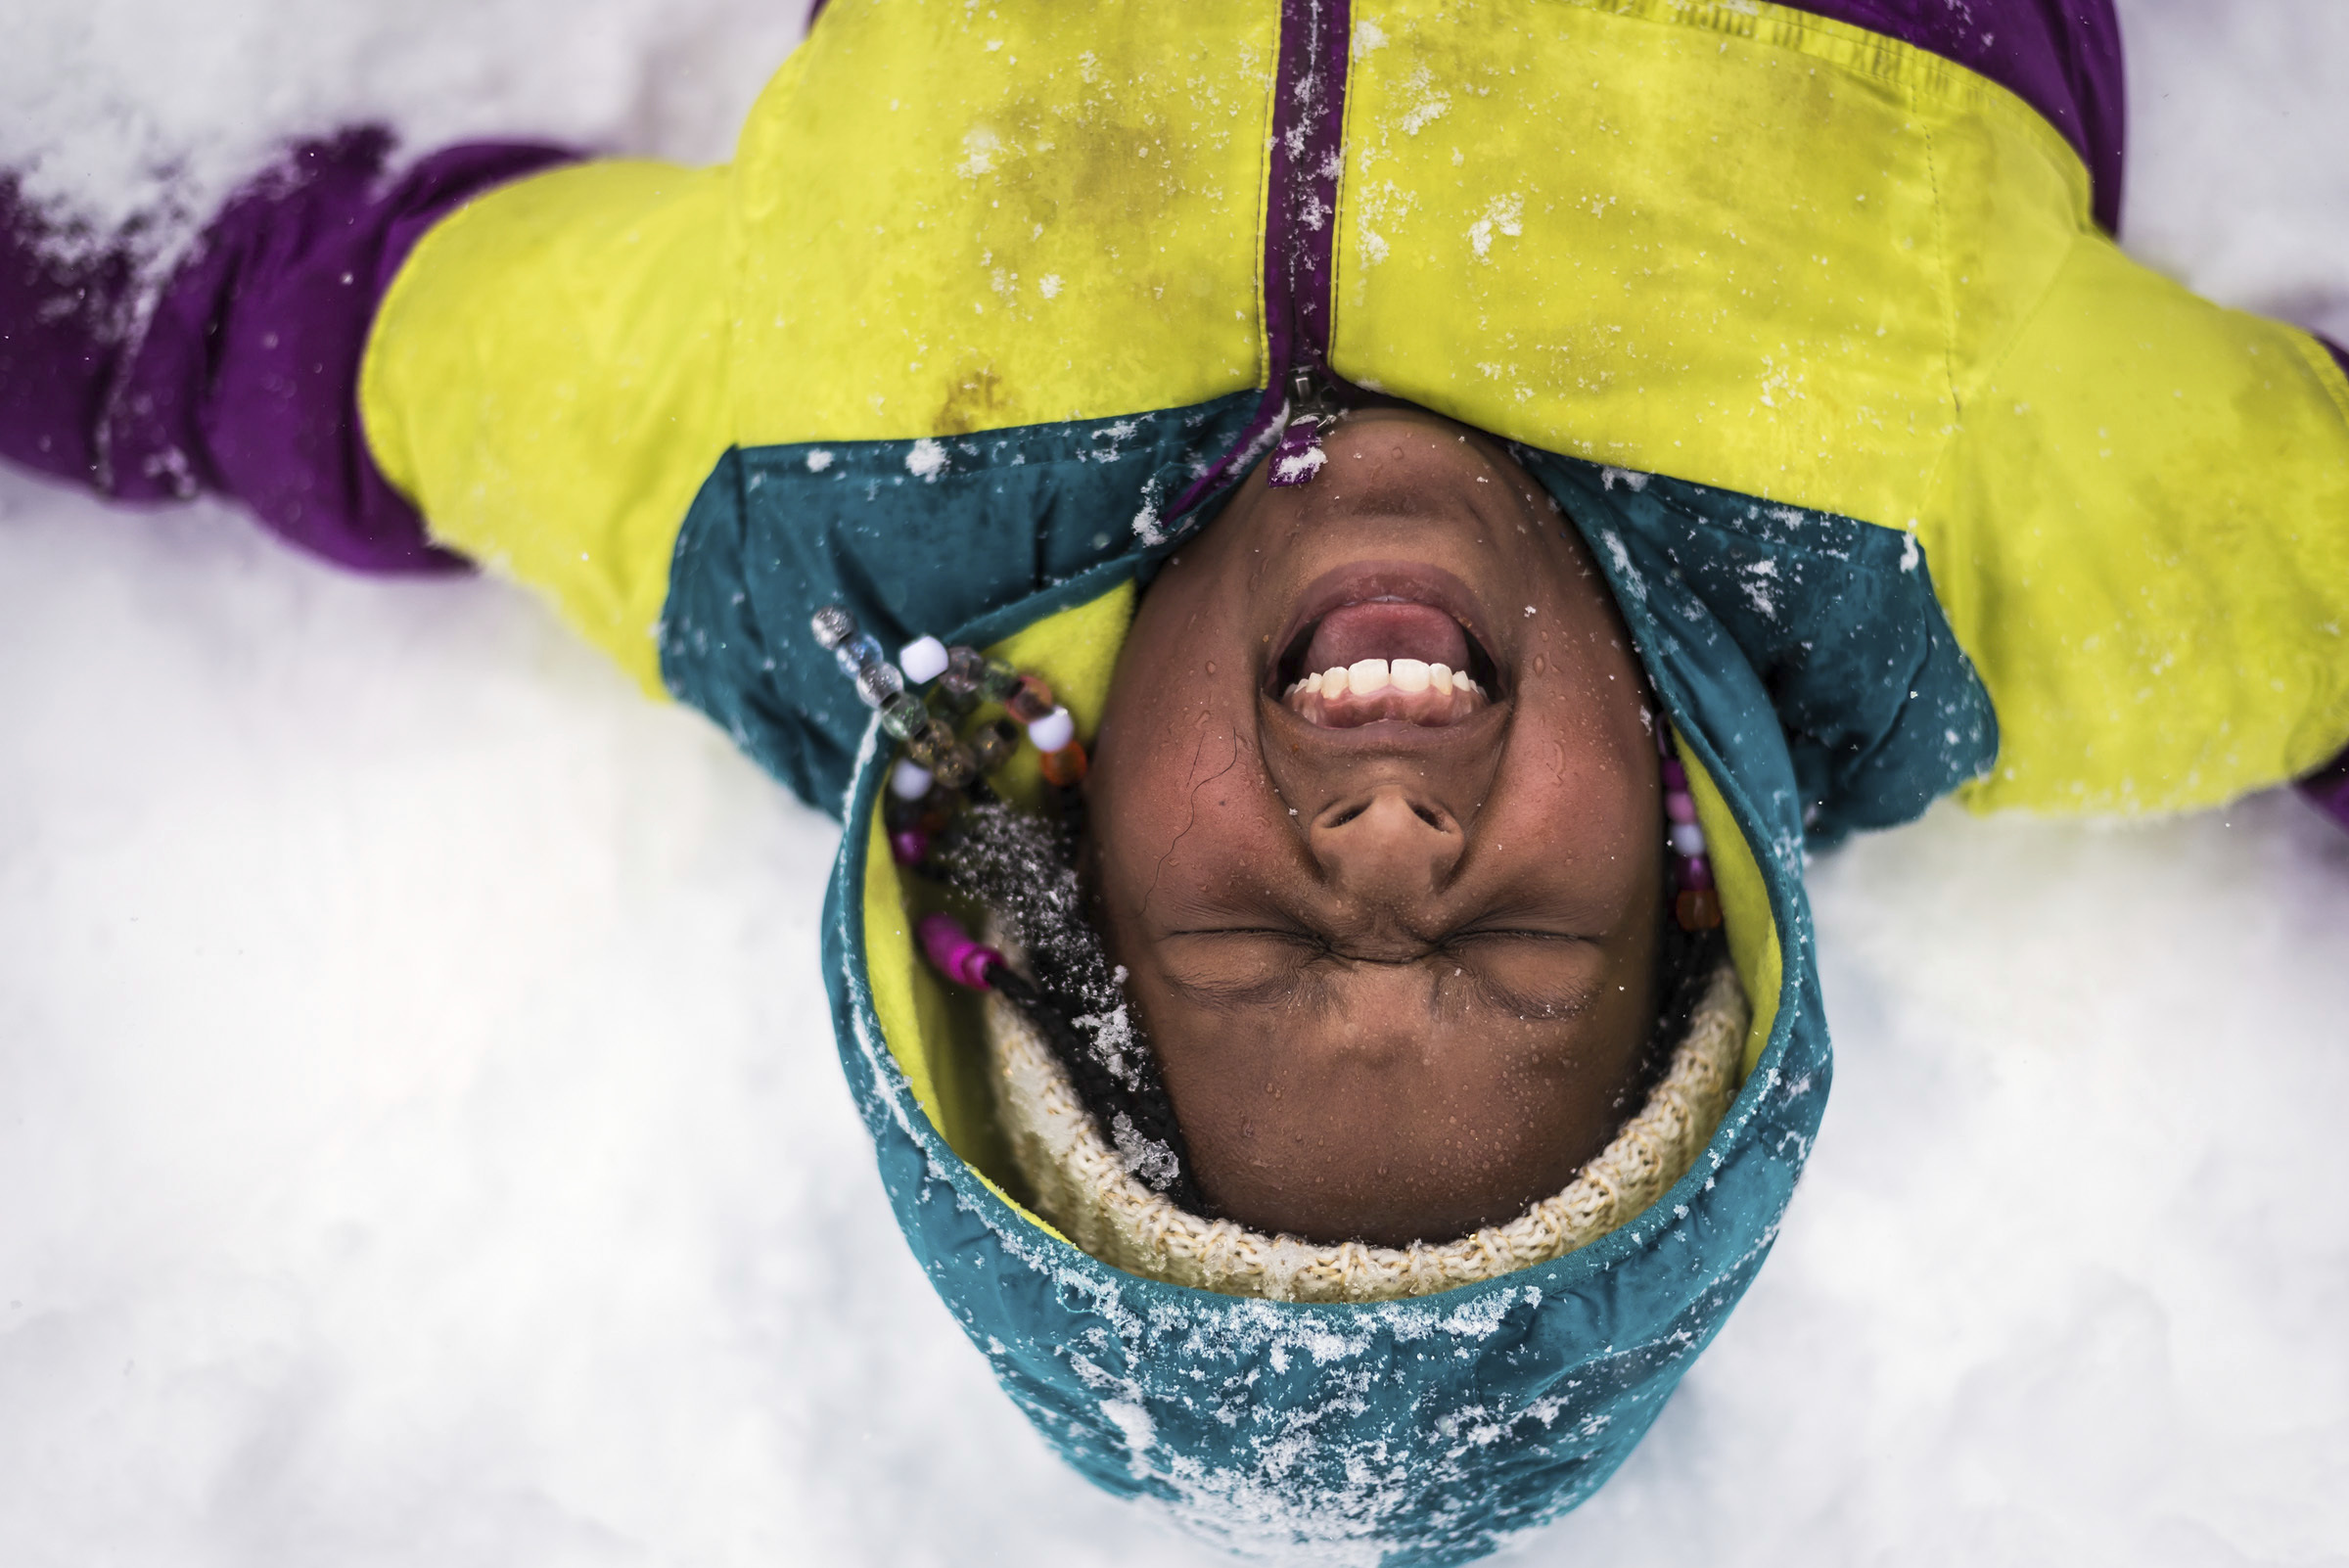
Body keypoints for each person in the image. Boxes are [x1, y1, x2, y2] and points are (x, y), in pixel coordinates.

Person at [5, 0, 2345, 1559]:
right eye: (1518, 941)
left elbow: (327, 337)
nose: (1394, 849)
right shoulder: (1984, 547)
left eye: (1251, 936)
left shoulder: (801, 495)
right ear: (1672, 847)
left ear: (1066, 842)